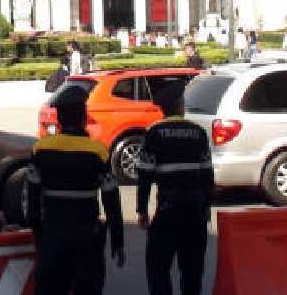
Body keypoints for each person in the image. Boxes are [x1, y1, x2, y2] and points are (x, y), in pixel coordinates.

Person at [26, 86, 125, 295]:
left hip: (53, 234)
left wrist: (38, 235)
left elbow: (32, 197)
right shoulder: (98, 152)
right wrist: (118, 240)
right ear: (83, 117)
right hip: (86, 237)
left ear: (59, 120)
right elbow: (111, 202)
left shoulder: (41, 149)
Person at [137, 83, 215, 295]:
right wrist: (207, 206)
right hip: (195, 212)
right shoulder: (198, 133)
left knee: (157, 269)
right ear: (180, 106)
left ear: (163, 109)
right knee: (192, 272)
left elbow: (144, 176)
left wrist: (142, 209)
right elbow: (208, 174)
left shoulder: (153, 133)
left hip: (168, 211)